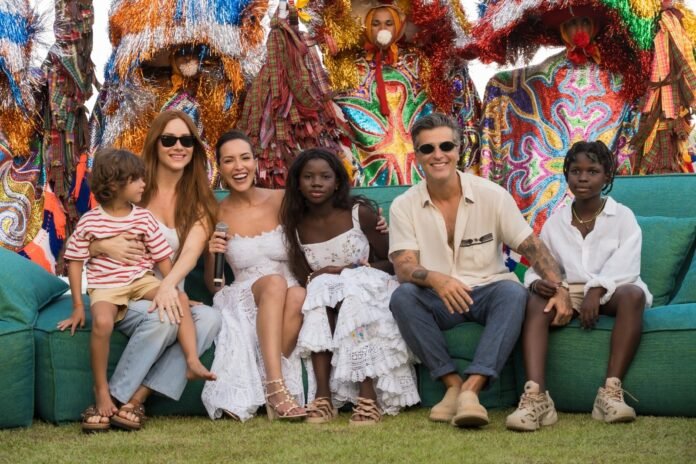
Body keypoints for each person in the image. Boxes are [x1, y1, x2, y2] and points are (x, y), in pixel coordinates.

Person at [388, 112, 571, 428]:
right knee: (402, 297)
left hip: (487, 292)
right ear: (417, 156)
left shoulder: (492, 195)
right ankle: (452, 385)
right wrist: (435, 278)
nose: (438, 155)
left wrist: (560, 287)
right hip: (438, 298)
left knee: (513, 292)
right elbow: (404, 266)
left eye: (446, 146)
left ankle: (471, 390)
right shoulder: (403, 205)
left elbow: (531, 247)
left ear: (458, 150)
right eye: (428, 148)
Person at [58, 147, 214, 431]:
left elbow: (163, 259)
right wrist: (78, 306)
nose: (144, 184)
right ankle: (102, 391)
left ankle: (191, 360)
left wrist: (171, 289)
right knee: (102, 323)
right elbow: (75, 260)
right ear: (116, 184)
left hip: (140, 280)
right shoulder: (90, 220)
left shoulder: (143, 218)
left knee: (178, 299)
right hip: (107, 287)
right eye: (137, 180)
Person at [506, 140, 652, 431]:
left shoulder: (622, 216)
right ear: (566, 175)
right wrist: (540, 285)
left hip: (613, 289)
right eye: (575, 171)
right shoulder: (556, 222)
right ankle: (536, 398)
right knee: (535, 300)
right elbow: (542, 266)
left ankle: (610, 393)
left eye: (592, 171)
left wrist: (596, 291)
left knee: (634, 295)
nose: (583, 178)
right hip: (569, 292)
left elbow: (627, 265)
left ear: (607, 176)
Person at [280, 148, 419, 426]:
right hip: (326, 295)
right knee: (320, 292)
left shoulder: (360, 213)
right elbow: (306, 277)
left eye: (325, 176)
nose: (316, 183)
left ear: (337, 182)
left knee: (349, 292)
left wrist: (349, 270)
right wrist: (327, 275)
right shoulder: (296, 225)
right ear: (297, 183)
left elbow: (391, 263)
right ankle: (323, 397)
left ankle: (368, 397)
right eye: (308, 177)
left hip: (370, 288)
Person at [201, 130, 308, 421]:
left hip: (289, 292)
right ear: (220, 167)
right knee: (274, 283)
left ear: (255, 161)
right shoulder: (216, 213)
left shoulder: (282, 199)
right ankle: (275, 387)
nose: (239, 167)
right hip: (245, 295)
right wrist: (212, 252)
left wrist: (367, 221)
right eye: (229, 161)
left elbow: (323, 214)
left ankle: (265, 374)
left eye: (245, 158)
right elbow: (214, 285)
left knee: (298, 293)